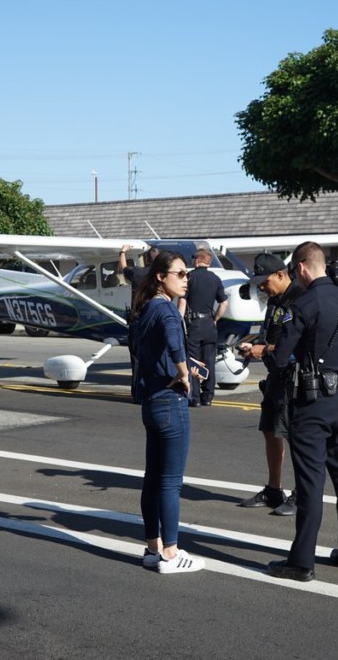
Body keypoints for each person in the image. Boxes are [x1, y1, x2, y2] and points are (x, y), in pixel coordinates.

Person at [267, 241, 338, 582]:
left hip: (311, 403)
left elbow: (280, 356)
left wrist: (273, 354)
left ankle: (301, 562)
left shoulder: (302, 303)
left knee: (311, 483)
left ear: (300, 268)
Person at [130, 249, 206, 574]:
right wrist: (184, 373)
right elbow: (174, 343)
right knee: (171, 482)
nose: (186, 280)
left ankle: (153, 548)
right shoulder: (167, 310)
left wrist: (185, 365)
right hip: (170, 402)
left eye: (187, 274)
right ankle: (171, 554)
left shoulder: (146, 308)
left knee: (153, 478)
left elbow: (149, 350)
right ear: (161, 277)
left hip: (150, 401)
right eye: (180, 274)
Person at [236, 253, 302, 517]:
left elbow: (299, 343)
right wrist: (255, 345)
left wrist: (264, 349)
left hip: (294, 376)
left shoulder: (300, 300)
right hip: (275, 374)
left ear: (280, 274)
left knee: (295, 436)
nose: (262, 287)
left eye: (265, 281)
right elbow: (272, 334)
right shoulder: (276, 301)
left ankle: (302, 493)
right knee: (271, 430)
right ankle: (274, 490)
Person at [178, 248, 228, 407]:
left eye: (193, 258)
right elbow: (224, 303)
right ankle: (208, 397)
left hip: (194, 325)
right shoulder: (216, 278)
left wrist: (178, 321)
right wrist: (215, 319)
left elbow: (182, 301)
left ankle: (195, 397)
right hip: (209, 324)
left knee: (193, 361)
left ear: (198, 260)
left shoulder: (190, 277)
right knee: (209, 362)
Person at [119, 244, 160, 309]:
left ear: (145, 259)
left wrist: (122, 251)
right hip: (155, 310)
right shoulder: (161, 275)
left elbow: (123, 267)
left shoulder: (136, 272)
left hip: (137, 312)